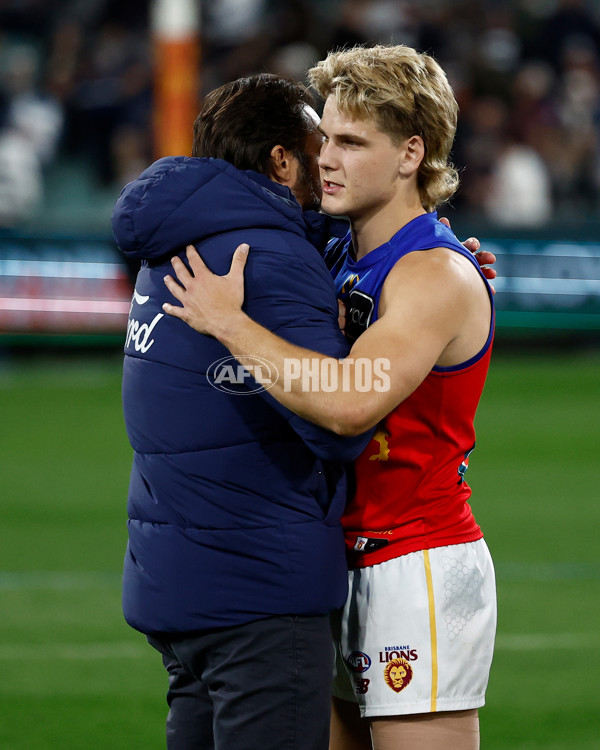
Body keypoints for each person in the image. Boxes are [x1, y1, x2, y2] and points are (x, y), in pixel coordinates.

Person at [162, 45, 497, 750]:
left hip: (415, 562)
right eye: (324, 141)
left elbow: (349, 404)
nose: (326, 160)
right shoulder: (345, 253)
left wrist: (229, 324)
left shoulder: (433, 274)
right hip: (336, 562)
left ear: (411, 153)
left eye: (351, 142)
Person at [111, 73, 374, 750]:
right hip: (258, 592)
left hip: (178, 586)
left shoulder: (173, 241)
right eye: (321, 144)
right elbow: (336, 421)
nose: (330, 162)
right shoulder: (272, 259)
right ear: (283, 160)